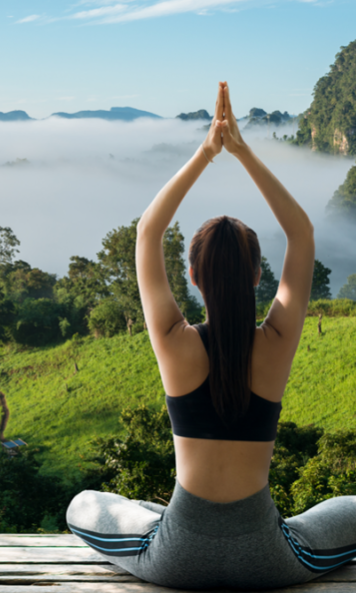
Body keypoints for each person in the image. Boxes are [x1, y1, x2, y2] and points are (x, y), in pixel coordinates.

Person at [66, 82, 356, 590]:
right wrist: (242, 151)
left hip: (178, 557)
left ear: (195, 278)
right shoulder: (275, 342)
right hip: (267, 559)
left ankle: (150, 516)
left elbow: (147, 234)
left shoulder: (175, 343)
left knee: (83, 505)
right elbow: (302, 234)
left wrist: (207, 152)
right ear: (256, 276)